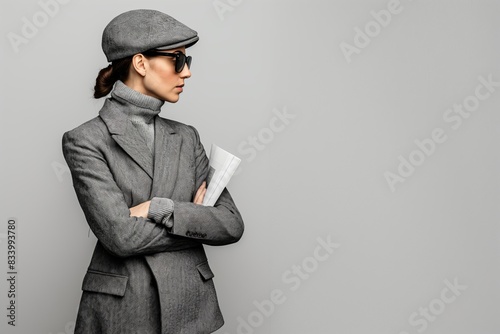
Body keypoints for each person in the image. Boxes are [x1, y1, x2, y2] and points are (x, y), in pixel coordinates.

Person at [61, 9, 244, 334]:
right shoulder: (86, 139)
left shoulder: (187, 136)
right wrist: (194, 217)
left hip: (191, 309)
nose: (186, 73)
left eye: (188, 62)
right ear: (141, 63)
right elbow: (121, 238)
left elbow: (231, 225)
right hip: (123, 311)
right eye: (177, 60)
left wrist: (161, 208)